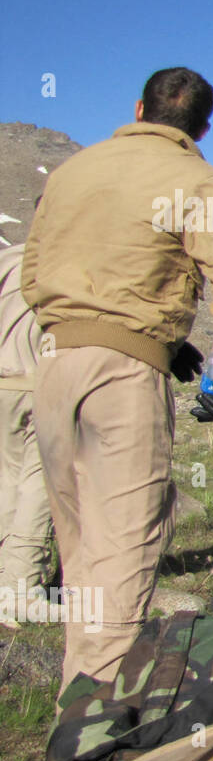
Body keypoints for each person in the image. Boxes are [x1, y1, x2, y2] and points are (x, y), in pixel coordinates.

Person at [22, 67, 213, 702]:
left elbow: (32, 273)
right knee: (124, 555)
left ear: (138, 107)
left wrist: (148, 331)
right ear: (204, 128)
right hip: (122, 381)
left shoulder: (74, 171)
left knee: (78, 552)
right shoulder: (196, 179)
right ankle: (93, 742)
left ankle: (73, 700)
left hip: (53, 367)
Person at [0, 244, 53, 627]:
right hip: (45, 383)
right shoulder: (65, 256)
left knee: (5, 480)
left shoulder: (9, 259)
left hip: (3, 385)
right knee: (39, 485)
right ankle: (20, 587)